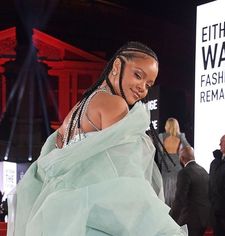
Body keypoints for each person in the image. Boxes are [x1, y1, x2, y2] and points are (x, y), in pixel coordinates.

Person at [8, 41, 187, 236]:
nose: (142, 89)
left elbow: (54, 157)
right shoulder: (115, 104)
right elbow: (126, 177)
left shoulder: (77, 109)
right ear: (117, 66)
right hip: (91, 217)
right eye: (138, 75)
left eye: (148, 84)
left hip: (58, 216)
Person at [169, 146, 210, 236]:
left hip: (190, 221)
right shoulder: (204, 171)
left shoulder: (184, 173)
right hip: (204, 219)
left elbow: (180, 199)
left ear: (182, 158)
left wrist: (170, 219)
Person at [158, 117, 190, 207]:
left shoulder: (161, 136)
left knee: (165, 192)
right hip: (177, 166)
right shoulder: (181, 136)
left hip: (166, 167)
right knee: (177, 192)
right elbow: (188, 148)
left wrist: (161, 163)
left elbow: (160, 155)